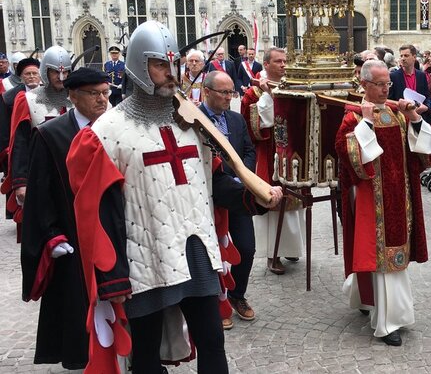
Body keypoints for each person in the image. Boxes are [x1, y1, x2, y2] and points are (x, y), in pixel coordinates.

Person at [65, 21, 283, 372]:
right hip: (144, 257)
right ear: (138, 66)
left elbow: (214, 184)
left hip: (196, 247)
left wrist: (254, 197)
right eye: (161, 65)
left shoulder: (191, 123)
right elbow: (99, 212)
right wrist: (113, 275)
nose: (172, 74)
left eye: (175, 64)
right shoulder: (106, 133)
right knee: (147, 355)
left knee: (213, 341)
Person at [335, 59, 431, 346]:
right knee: (377, 255)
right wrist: (366, 121)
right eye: (379, 84)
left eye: (387, 84)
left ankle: (370, 302)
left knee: (394, 255)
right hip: (370, 197)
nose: (384, 89)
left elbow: (421, 152)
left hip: (400, 194)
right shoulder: (353, 116)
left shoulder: (397, 114)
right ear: (364, 84)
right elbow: (347, 153)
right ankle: (388, 321)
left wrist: (415, 119)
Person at [20, 67, 110, 370]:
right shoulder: (51, 134)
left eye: (106, 93)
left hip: (115, 230)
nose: (102, 100)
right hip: (73, 232)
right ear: (73, 96)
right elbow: (40, 191)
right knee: (77, 300)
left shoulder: (115, 127)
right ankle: (83, 357)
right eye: (94, 94)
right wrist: (51, 235)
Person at [199, 71, 257, 330]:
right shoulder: (193, 120)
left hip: (237, 193)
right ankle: (215, 302)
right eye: (223, 92)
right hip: (207, 196)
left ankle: (237, 295)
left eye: (231, 92)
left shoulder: (235, 119)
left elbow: (249, 150)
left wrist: (242, 175)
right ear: (206, 91)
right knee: (211, 252)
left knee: (246, 247)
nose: (229, 97)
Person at [241, 47, 304, 274]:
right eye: (278, 61)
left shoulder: (291, 87)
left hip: (291, 152)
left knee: (292, 201)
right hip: (268, 153)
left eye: (286, 61)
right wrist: (268, 95)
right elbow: (255, 128)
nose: (283, 65)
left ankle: (291, 247)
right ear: (266, 64)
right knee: (272, 201)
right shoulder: (253, 94)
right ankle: (272, 254)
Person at [2, 47, 72, 228]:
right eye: (55, 71)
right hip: (40, 174)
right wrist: (20, 181)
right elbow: (20, 142)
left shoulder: (77, 98)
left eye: (65, 72)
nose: (60, 76)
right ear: (46, 72)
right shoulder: (28, 100)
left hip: (72, 173)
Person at [0, 58, 40, 174]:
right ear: (21, 77)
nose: (32, 76)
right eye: (28, 74)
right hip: (18, 150)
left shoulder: (49, 95)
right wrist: (7, 154)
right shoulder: (8, 98)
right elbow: (3, 130)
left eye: (35, 73)